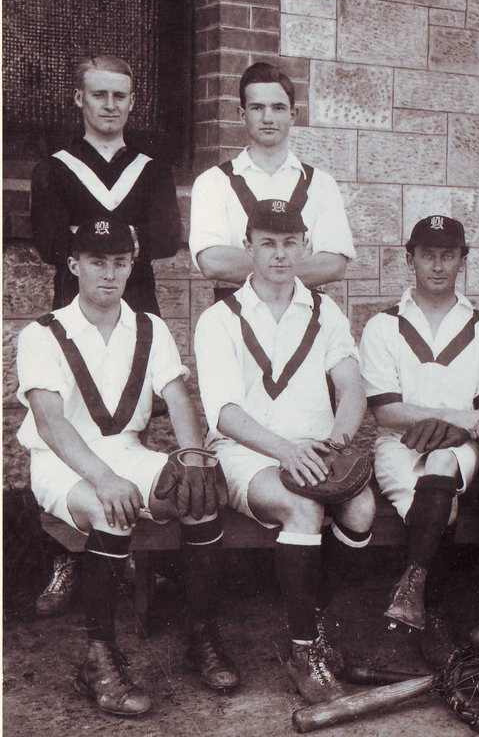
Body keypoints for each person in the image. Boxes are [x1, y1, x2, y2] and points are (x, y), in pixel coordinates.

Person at [16, 219, 236, 717]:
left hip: (129, 452)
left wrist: (194, 457)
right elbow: (51, 425)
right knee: (108, 508)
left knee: (197, 497)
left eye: (119, 262)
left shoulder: (149, 327)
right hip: (63, 463)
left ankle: (201, 635)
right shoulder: (42, 333)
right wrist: (102, 476)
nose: (109, 274)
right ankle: (98, 658)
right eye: (97, 262)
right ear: (74, 266)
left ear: (130, 266)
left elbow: (177, 396)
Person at [193, 199, 374, 702]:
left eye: (289, 243)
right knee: (303, 506)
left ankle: (315, 620)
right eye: (267, 243)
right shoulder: (220, 318)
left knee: (361, 506)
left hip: (314, 447)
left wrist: (335, 445)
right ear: (248, 247)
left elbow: (352, 385)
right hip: (245, 451)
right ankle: (303, 653)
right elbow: (225, 414)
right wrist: (287, 454)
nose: (278, 255)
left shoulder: (324, 309)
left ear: (305, 246)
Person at [29, 55, 182, 615]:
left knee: (126, 422)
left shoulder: (151, 166)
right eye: (99, 95)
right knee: (72, 417)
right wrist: (118, 235)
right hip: (73, 307)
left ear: (132, 101)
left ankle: (130, 551)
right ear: (79, 99)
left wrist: (93, 236)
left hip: (135, 303)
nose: (110, 105)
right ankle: (66, 555)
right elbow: (48, 241)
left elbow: (167, 236)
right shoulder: (54, 167)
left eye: (120, 96)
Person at [359, 215, 479, 666]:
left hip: (460, 445)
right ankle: (432, 611)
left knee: (443, 465)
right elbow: (385, 411)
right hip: (398, 444)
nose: (437, 266)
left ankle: (417, 592)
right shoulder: (383, 325)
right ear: (410, 259)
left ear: (463, 260)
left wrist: (458, 428)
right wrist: (448, 414)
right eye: (427, 255)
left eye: (448, 255)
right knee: (443, 507)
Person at [189, 61, 355, 302]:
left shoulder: (321, 183)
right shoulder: (213, 182)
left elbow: (333, 264)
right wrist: (294, 267)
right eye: (257, 108)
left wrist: (260, 267)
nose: (268, 117)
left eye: (278, 108)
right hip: (236, 315)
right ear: (242, 115)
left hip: (304, 314)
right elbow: (213, 261)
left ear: (292, 115)